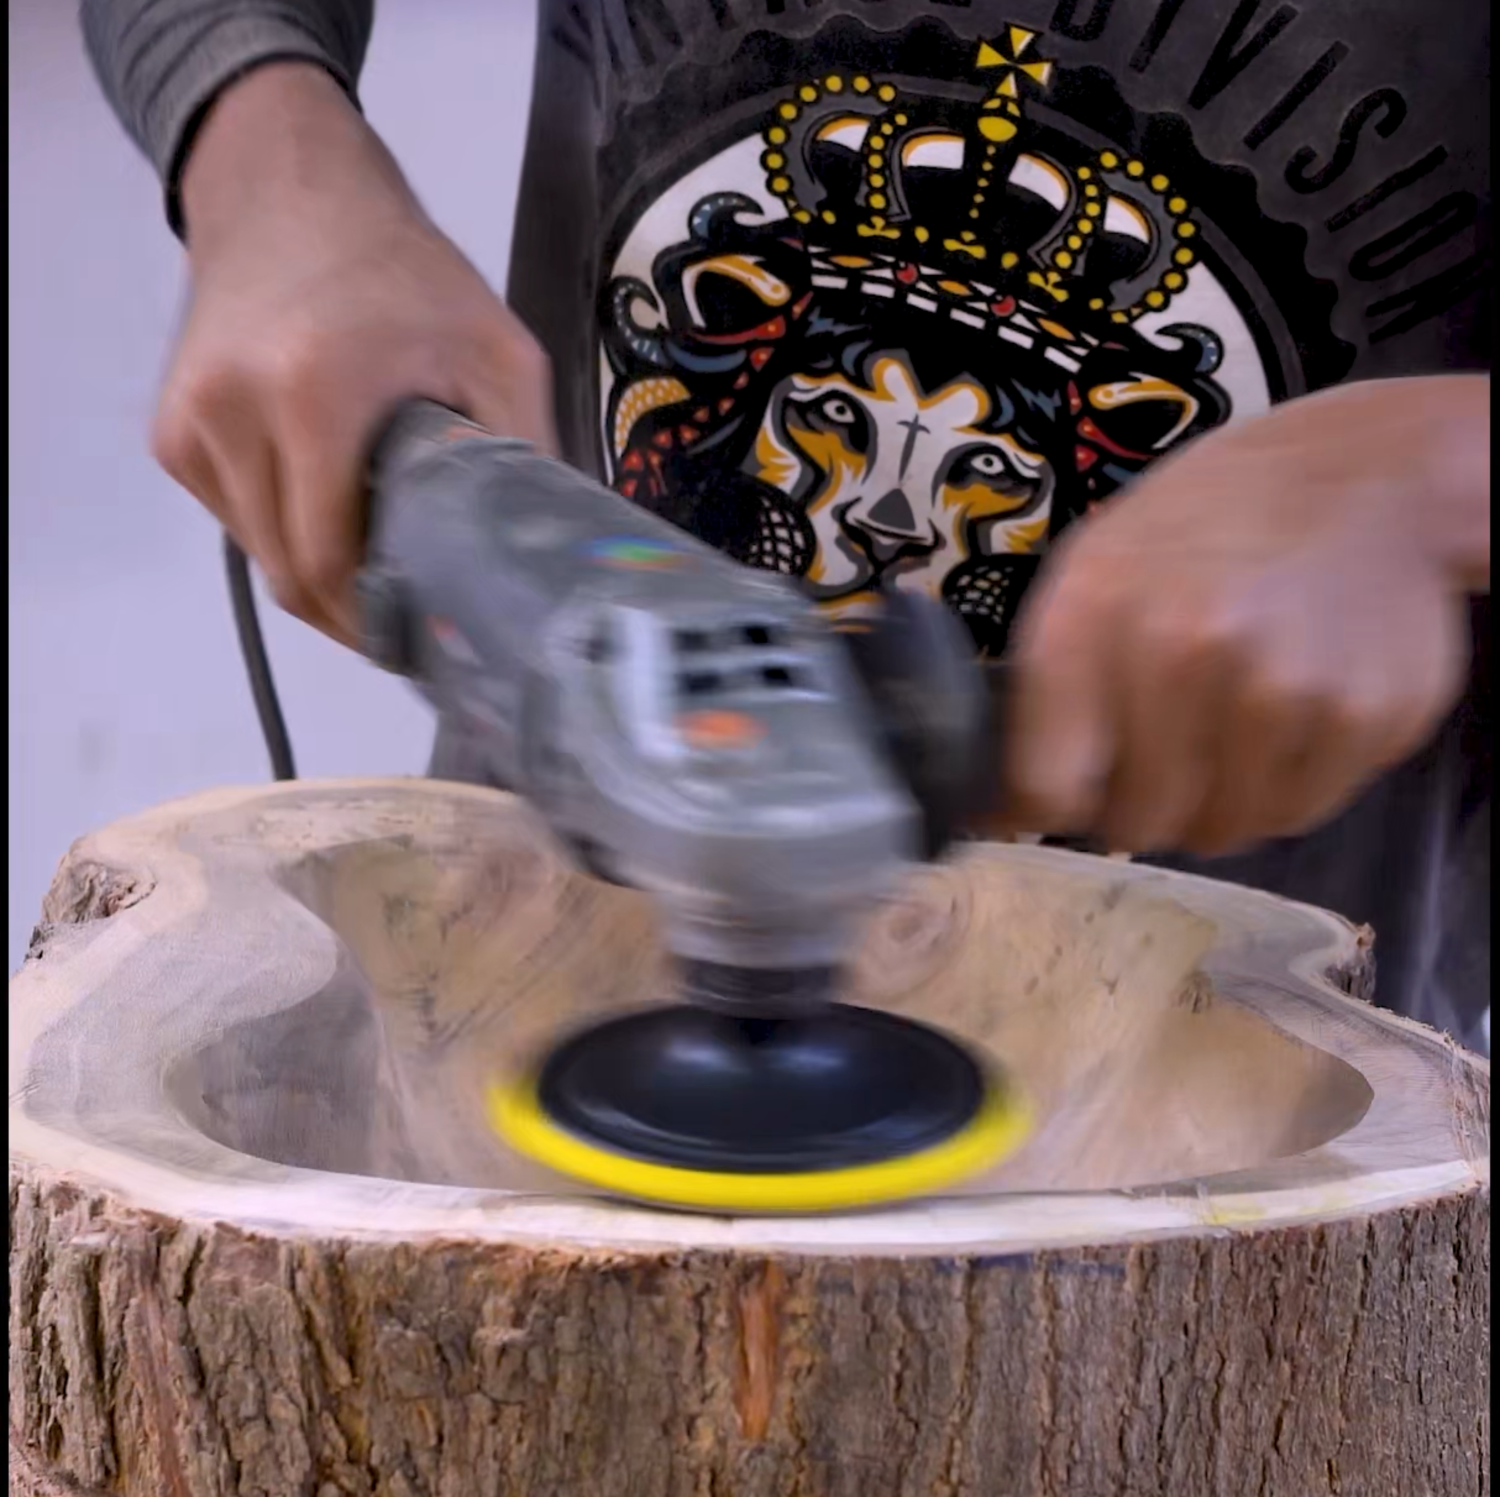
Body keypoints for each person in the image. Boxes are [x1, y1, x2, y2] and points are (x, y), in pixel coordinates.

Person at [81, 1, 1489, 1049]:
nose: (880, 517)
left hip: (1256, 1089)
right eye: (842, 436)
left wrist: (1427, 474)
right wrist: (263, 143)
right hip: (530, 952)